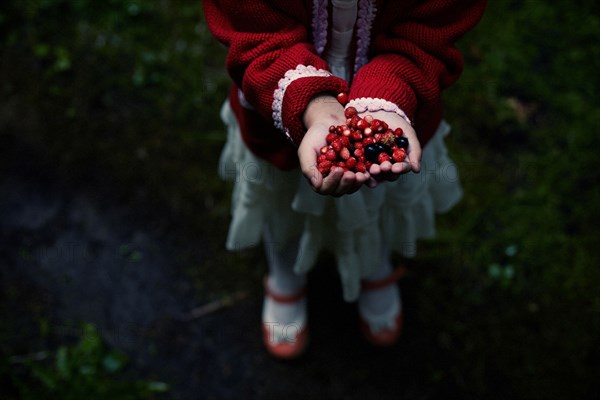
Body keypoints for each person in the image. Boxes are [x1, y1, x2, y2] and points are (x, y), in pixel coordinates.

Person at [202, 0, 486, 359]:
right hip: (278, 97)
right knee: (282, 202)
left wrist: (386, 100)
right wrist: (313, 103)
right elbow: (255, 29)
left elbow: (429, 32)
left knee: (378, 198)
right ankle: (286, 273)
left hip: (399, 97)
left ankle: (372, 265)